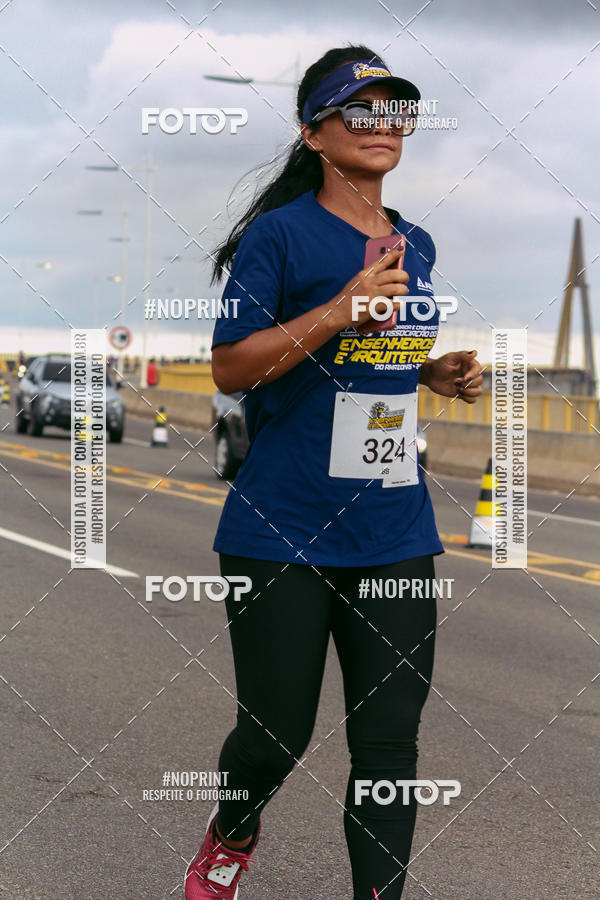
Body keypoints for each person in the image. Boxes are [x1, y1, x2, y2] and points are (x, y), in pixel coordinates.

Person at [184, 46, 482, 900]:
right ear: (315, 132)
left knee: (390, 744)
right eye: (361, 110)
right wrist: (338, 307)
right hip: (283, 525)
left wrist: (436, 370)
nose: (384, 125)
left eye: (397, 111)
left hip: (393, 527)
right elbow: (233, 369)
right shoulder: (280, 237)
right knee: (275, 736)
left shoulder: (414, 242)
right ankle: (232, 832)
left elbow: (373, 359)